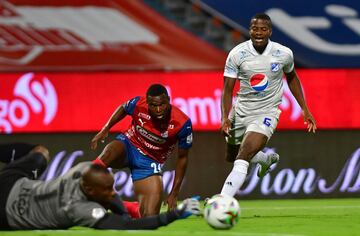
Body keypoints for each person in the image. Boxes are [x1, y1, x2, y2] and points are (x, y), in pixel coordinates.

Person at [220, 13, 317, 197]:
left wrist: (305, 108)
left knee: (243, 156)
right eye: (255, 29)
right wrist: (225, 117)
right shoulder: (237, 54)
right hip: (241, 111)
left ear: (270, 31)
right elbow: (227, 89)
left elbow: (292, 77)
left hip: (267, 112)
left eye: (263, 29)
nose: (258, 32)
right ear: (249, 30)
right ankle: (265, 159)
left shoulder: (284, 54)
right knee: (231, 156)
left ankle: (222, 200)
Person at [0, 143, 200, 230]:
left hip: (13, 181)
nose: (112, 192)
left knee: (40, 152)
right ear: (89, 191)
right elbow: (127, 227)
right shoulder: (78, 209)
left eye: (111, 187)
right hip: (6, 214)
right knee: (40, 153)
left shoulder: (83, 170)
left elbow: (108, 195)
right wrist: (174, 215)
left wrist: (121, 210)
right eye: (106, 189)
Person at [91, 84, 193, 216]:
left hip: (149, 162)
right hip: (128, 144)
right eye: (153, 105)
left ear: (168, 100)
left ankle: (113, 203)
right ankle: (76, 189)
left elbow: (182, 158)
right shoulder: (139, 103)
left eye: (162, 104)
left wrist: (174, 193)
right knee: (107, 154)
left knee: (149, 216)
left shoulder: (182, 123)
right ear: (147, 102)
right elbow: (124, 107)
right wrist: (106, 128)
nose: (158, 110)